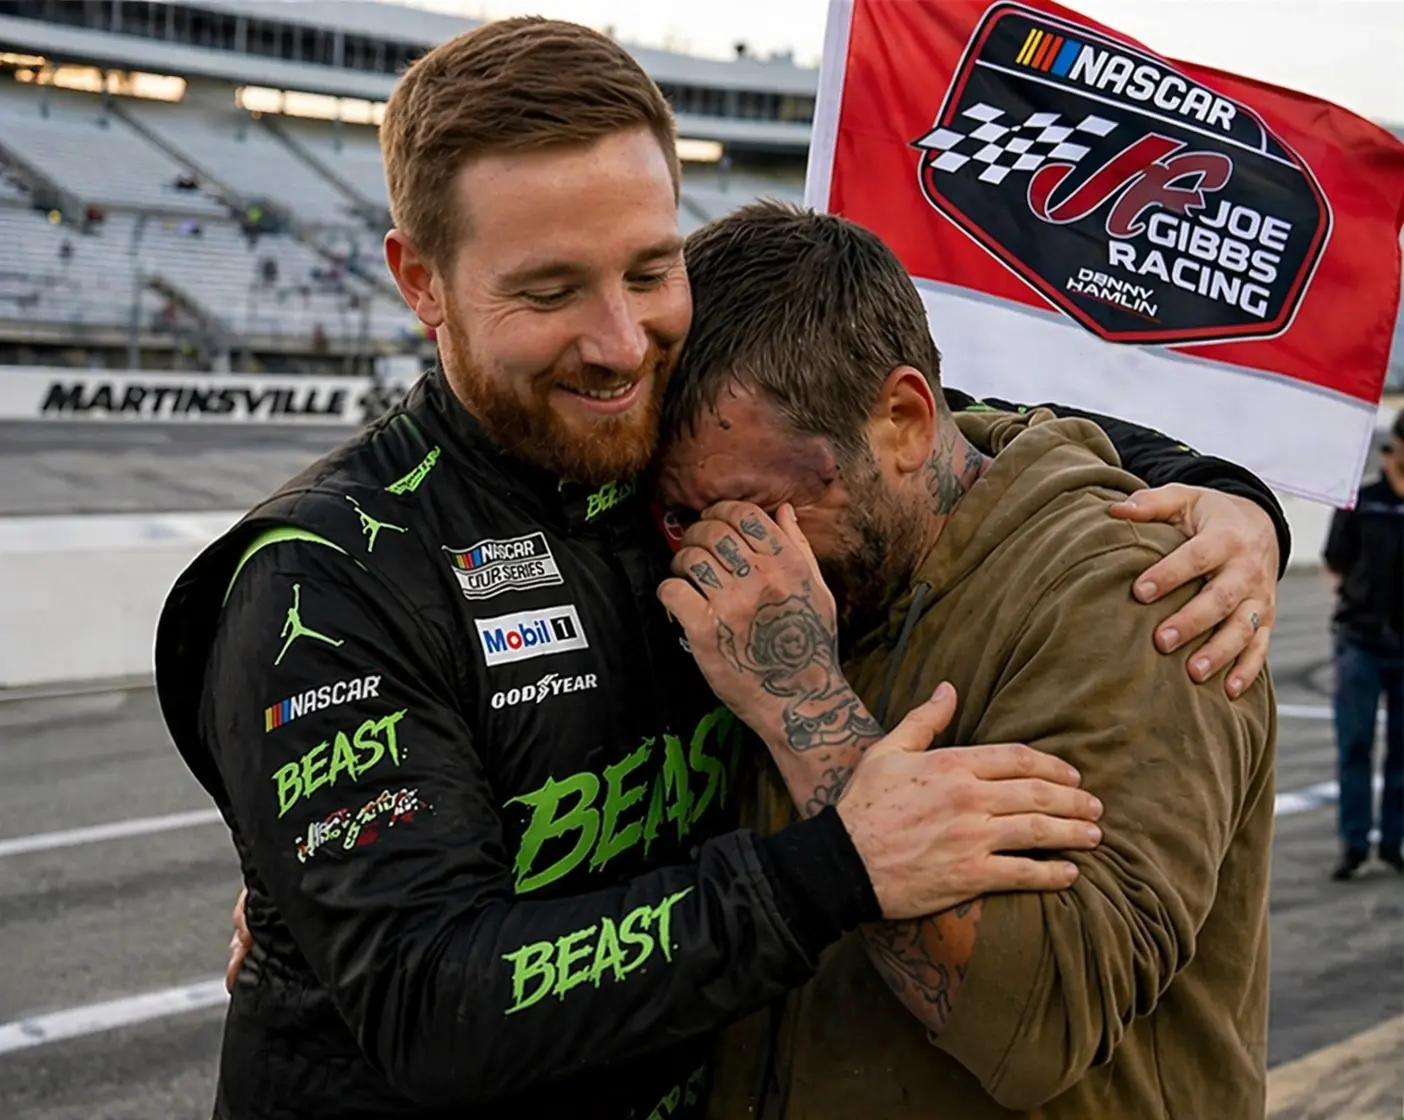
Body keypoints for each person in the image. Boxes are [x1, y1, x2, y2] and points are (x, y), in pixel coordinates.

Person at [176, 18, 1286, 1119]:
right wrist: (831, 868)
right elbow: (431, 1005)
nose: (620, 342)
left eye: (649, 270)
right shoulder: (328, 580)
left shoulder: (657, 436)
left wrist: (1227, 492)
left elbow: (918, 425)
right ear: (421, 281)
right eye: (549, 291)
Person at [652, 201, 1277, 1120]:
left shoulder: (1136, 597)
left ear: (906, 421)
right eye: (681, 516)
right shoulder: (816, 563)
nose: (722, 561)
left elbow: (1045, 1018)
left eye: (758, 509)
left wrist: (799, 698)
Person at [1323, 409, 1404, 879]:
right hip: (1361, 642)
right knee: (1355, 744)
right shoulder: (1362, 503)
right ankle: (1355, 844)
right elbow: (1335, 560)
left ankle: (1393, 842)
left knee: (1402, 751)